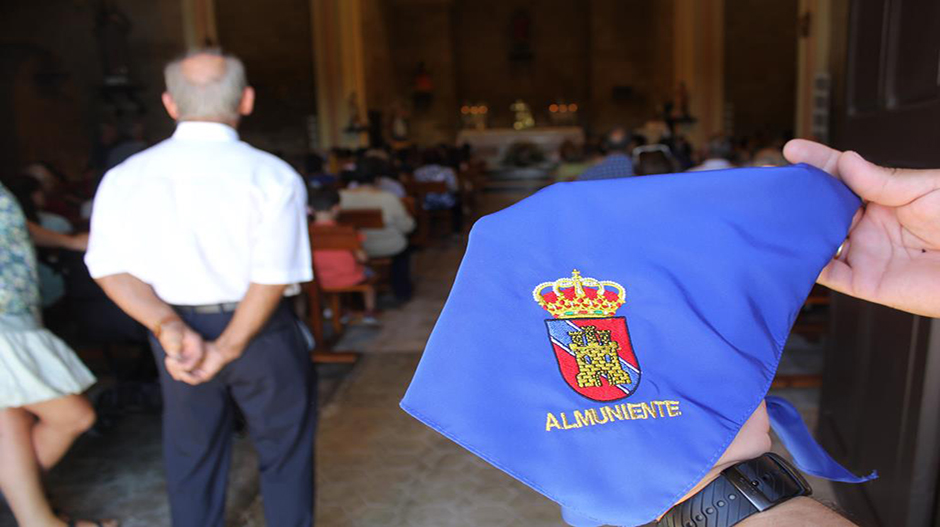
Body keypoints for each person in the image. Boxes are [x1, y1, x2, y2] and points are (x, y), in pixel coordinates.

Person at [84, 49, 315, 527]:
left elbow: (110, 269)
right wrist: (227, 348)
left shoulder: (125, 177)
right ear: (246, 100)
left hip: (176, 332)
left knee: (192, 458)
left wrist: (168, 327)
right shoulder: (272, 175)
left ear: (170, 104)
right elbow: (272, 276)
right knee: (284, 454)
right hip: (261, 329)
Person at [0, 182, 114, 527]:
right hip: (5, 322)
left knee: (13, 420)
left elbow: (13, 226)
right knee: (73, 416)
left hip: (18, 314)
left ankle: (37, 518)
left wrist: (68, 241)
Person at [340, 160, 415, 301]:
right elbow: (407, 226)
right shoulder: (387, 198)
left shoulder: (341, 197)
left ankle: (357, 298)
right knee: (404, 248)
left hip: (356, 248)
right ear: (378, 179)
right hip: (388, 246)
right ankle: (402, 291)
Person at [309, 188, 378, 324]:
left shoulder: (306, 232)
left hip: (318, 279)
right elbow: (362, 258)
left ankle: (333, 309)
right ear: (336, 208)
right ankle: (369, 312)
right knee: (369, 274)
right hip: (350, 276)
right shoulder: (347, 231)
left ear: (311, 209)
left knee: (320, 284)